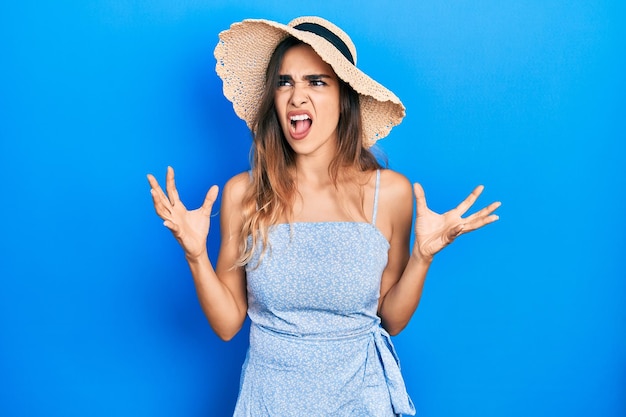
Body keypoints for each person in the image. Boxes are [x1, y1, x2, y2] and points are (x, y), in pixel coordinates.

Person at [147, 16, 500, 417]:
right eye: (285, 82)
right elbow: (228, 324)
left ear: (344, 97)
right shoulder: (242, 194)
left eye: (316, 82)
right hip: (269, 403)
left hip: (362, 402)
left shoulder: (391, 193)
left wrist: (423, 257)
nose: (297, 97)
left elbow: (391, 318)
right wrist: (195, 256)